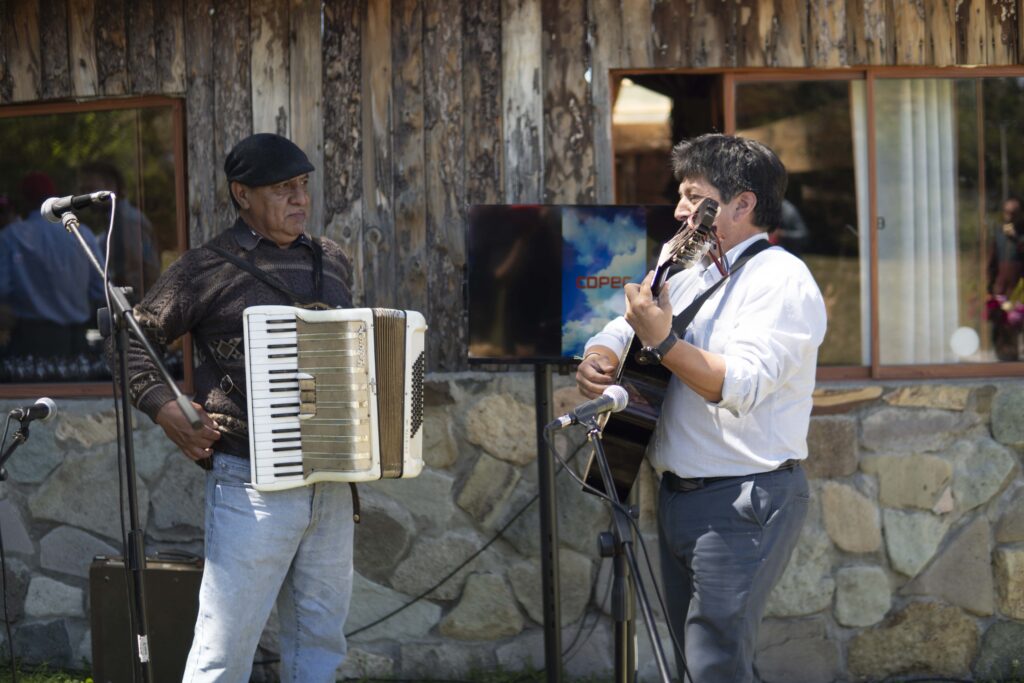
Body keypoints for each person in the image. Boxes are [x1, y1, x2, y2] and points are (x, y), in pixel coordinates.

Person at [576, 134, 826, 683]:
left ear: (742, 204)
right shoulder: (691, 267)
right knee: (696, 662)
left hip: (743, 500)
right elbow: (627, 322)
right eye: (681, 195)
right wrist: (599, 355)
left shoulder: (781, 279)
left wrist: (662, 341)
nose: (679, 210)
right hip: (678, 495)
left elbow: (737, 385)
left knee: (715, 662)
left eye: (694, 196)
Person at [119, 133, 355, 682]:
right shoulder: (206, 268)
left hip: (335, 480)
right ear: (242, 194)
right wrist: (165, 407)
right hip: (250, 480)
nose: (300, 199)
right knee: (224, 652)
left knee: (320, 645)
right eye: (282, 188)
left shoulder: (334, 261)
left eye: (303, 186)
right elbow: (129, 340)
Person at [0, 171, 105, 359]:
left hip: (31, 340)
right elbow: (100, 287)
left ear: (25, 200)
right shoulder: (83, 234)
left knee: (35, 389)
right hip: (77, 339)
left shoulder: (11, 236)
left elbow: (2, 287)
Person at [77, 160, 162, 297]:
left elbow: (147, 271)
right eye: (83, 191)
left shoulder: (128, 222)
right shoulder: (110, 223)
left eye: (90, 190)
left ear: (111, 187)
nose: (85, 197)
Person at [987, 196, 1024, 360]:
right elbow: (992, 261)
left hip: (1019, 286)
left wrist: (1016, 238)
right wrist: (990, 285)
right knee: (1001, 321)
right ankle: (1002, 355)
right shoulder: (999, 235)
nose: (1009, 216)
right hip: (1002, 285)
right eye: (1007, 212)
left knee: (1018, 320)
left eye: (1013, 213)